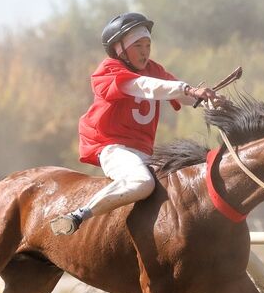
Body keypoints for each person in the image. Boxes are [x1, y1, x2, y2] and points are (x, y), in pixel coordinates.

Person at [50, 12, 219, 235]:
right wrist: (188, 88)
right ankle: (78, 216)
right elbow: (145, 86)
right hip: (112, 148)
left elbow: (178, 95)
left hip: (145, 152)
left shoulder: (154, 70)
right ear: (120, 49)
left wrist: (208, 99)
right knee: (143, 182)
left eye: (148, 44)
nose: (145, 51)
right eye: (137, 45)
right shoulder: (108, 70)